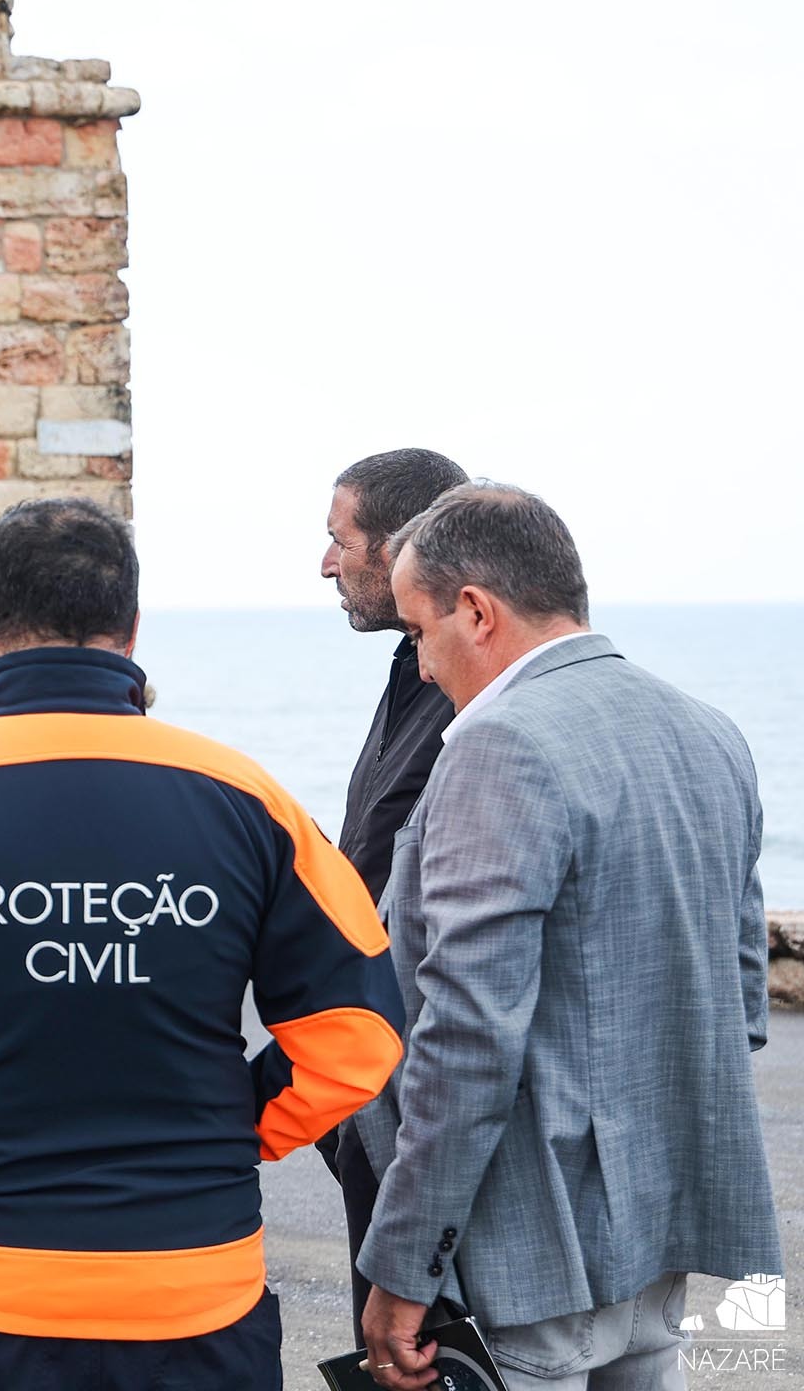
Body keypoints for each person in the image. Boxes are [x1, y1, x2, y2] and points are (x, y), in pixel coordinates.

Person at [0, 496, 404, 1388]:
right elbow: (359, 1029)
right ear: (132, 631)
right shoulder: (247, 795)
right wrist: (239, 1128)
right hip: (193, 1289)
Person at [356, 485, 780, 1391]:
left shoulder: (497, 742)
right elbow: (741, 999)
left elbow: (467, 1034)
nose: (422, 668)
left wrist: (402, 1266)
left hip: (535, 1246)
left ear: (475, 612)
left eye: (419, 633)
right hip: (674, 1228)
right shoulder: (714, 732)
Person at [317, 446, 469, 1343]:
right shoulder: (411, 666)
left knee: (427, 1348)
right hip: (377, 1102)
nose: (326, 563)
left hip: (426, 1111)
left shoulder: (471, 699)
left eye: (340, 541)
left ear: (398, 546)